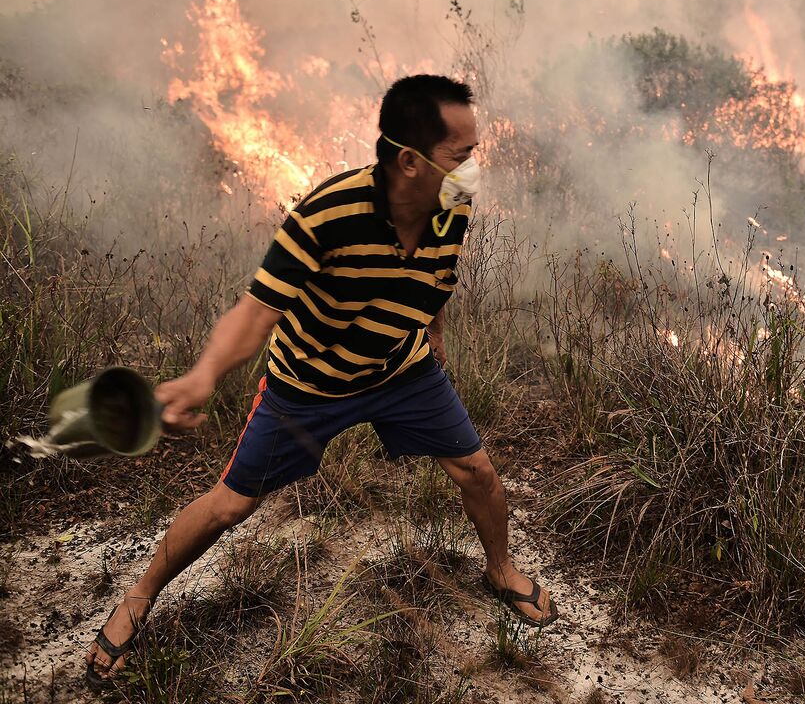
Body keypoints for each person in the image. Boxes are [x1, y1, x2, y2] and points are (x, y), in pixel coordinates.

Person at [85, 74, 557, 688]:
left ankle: (499, 570)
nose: (473, 168)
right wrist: (203, 376)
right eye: (461, 154)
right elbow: (257, 311)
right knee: (232, 505)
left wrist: (434, 332)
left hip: (402, 368)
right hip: (308, 386)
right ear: (410, 161)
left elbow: (438, 276)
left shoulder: (452, 205)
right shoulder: (325, 215)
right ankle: (139, 597)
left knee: (478, 472)